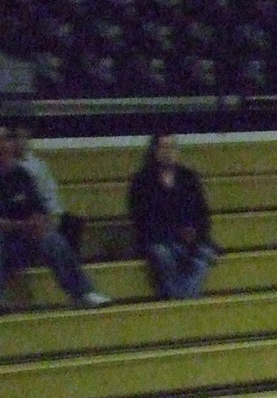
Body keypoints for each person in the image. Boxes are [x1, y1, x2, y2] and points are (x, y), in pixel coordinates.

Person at [0, 125, 110, 312]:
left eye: (6, 139)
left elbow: (40, 209)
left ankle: (83, 293)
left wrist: (40, 222)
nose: (4, 144)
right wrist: (24, 225)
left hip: (26, 238)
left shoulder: (22, 175)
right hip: (7, 239)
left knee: (53, 240)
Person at [127, 134, 218, 300]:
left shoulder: (189, 177)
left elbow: (202, 213)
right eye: (164, 148)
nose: (168, 152)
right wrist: (174, 234)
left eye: (172, 148)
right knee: (164, 256)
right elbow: (142, 219)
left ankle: (181, 302)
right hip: (158, 240)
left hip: (190, 239)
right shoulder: (142, 181)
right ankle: (182, 303)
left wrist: (194, 233)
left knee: (205, 255)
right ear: (154, 151)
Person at [12, 119, 86, 256]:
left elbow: (51, 195)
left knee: (72, 223)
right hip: (24, 220)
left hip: (45, 216)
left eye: (23, 138)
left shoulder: (39, 165)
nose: (20, 142)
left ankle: (68, 267)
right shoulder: (8, 168)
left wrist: (54, 216)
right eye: (16, 138)